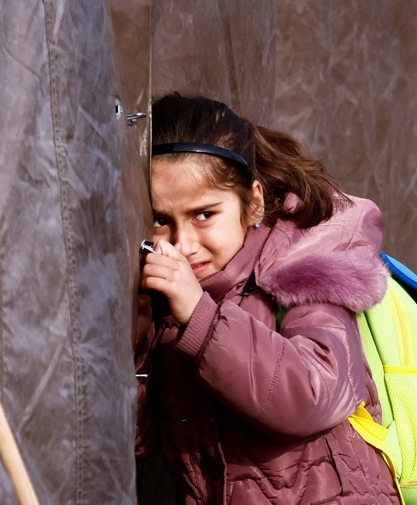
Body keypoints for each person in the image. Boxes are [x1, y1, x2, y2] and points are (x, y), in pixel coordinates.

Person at [135, 93, 400, 505]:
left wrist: (200, 320)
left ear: (253, 201)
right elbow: (140, 447)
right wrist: (133, 348)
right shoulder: (164, 303)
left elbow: (314, 396)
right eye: (161, 219)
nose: (183, 244)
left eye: (204, 214)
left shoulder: (303, 267)